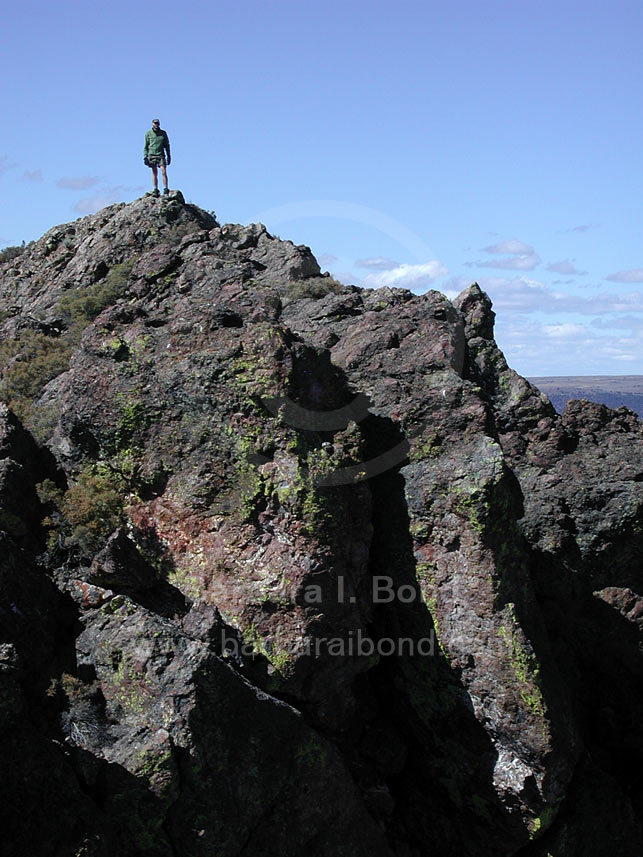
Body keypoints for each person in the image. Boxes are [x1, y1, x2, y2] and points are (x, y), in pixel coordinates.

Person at [143, 119, 171, 197]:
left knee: (163, 171)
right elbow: (146, 146)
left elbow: (167, 145)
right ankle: (155, 189)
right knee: (154, 172)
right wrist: (145, 156)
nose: (156, 125)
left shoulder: (163, 133)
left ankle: (166, 188)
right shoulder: (148, 133)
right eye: (155, 123)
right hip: (152, 155)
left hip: (161, 155)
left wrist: (169, 156)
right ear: (152, 124)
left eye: (157, 123)